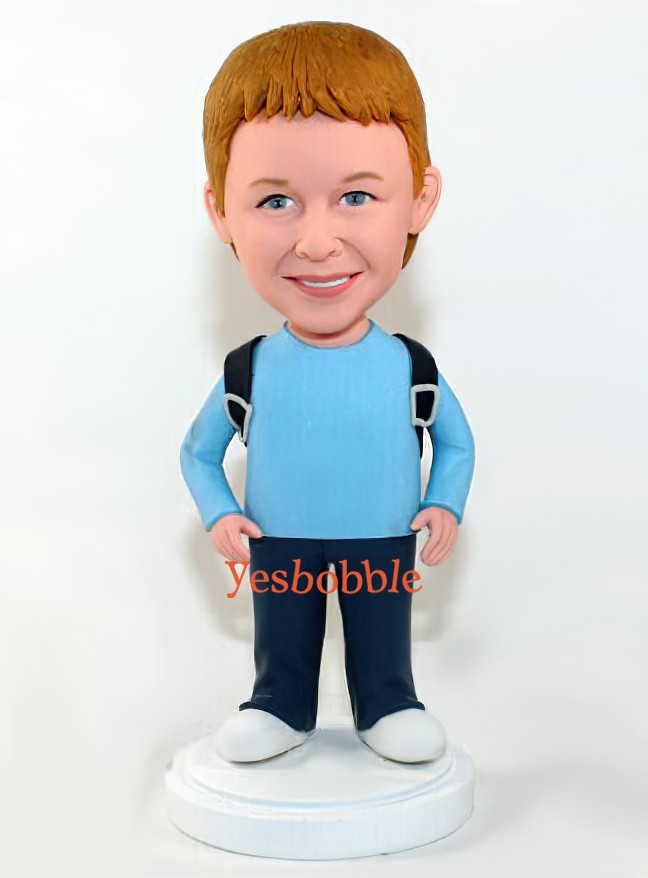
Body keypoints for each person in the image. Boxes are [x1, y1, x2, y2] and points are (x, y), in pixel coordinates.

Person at [181, 21, 475, 764]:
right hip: (278, 539)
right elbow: (197, 453)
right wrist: (220, 513)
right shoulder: (249, 369)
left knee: (382, 636)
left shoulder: (410, 366)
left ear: (420, 199)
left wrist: (444, 502)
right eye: (276, 201)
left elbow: (456, 442)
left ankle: (388, 701)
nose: (316, 242)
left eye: (356, 196)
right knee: (283, 638)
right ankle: (279, 704)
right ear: (221, 212)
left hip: (382, 533)